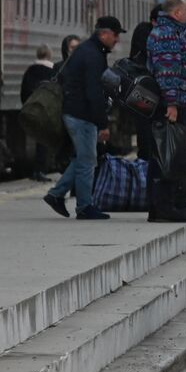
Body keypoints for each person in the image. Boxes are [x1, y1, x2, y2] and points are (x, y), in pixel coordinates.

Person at [42, 16, 123, 221]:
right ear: (104, 34)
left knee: (82, 158)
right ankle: (85, 207)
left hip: (75, 112)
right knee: (88, 161)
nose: (117, 40)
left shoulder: (88, 51)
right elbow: (94, 92)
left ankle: (56, 194)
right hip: (82, 114)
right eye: (115, 35)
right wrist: (102, 123)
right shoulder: (92, 55)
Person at [146, 0, 186, 221]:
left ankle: (176, 204)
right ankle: (165, 206)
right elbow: (167, 70)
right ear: (178, 12)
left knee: (177, 156)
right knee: (169, 157)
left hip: (181, 103)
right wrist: (171, 103)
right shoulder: (166, 34)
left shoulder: (172, 32)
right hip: (175, 105)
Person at [20, 44, 56, 182]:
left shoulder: (30, 71)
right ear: (49, 55)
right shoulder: (52, 71)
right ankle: (41, 170)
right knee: (44, 143)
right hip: (47, 111)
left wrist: (27, 106)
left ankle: (36, 171)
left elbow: (24, 91)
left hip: (32, 110)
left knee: (36, 141)